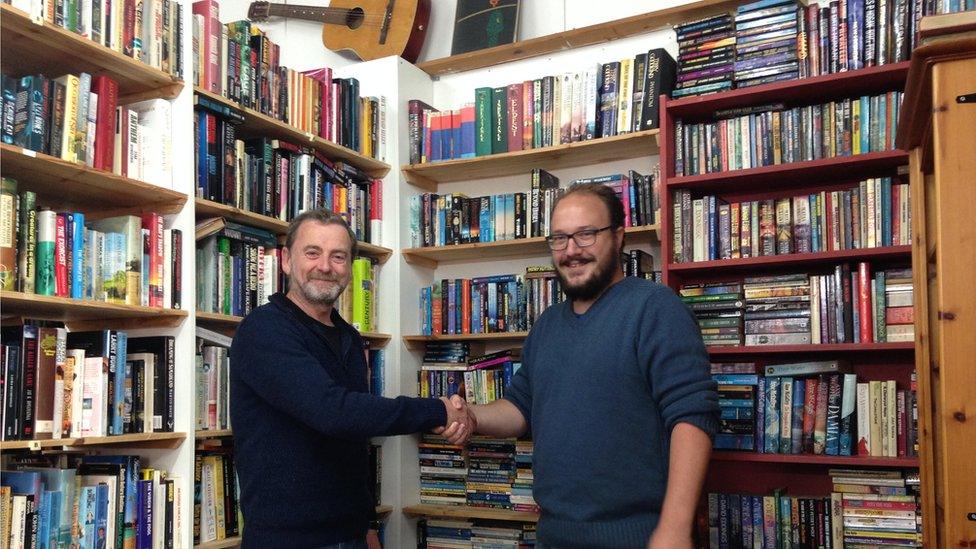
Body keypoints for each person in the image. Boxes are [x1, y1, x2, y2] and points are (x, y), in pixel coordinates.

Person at [442, 183, 719, 549]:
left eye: (586, 234)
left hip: (641, 538)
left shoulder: (655, 308)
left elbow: (693, 415)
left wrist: (674, 528)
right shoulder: (547, 325)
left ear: (618, 236)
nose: (571, 250)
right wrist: (471, 417)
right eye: (559, 238)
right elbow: (520, 408)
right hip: (554, 536)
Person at [230, 209, 475, 549]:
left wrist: (367, 524)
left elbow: (353, 438)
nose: (326, 266)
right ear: (286, 260)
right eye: (312, 253)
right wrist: (438, 411)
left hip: (350, 535)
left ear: (349, 268)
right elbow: (334, 412)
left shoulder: (346, 336)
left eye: (338, 257)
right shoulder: (264, 330)